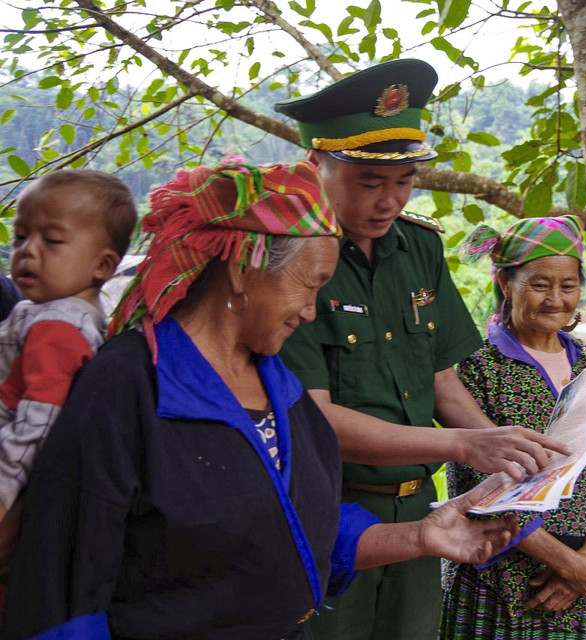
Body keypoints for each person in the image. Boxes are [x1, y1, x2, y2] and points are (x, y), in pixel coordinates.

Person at [0, 158, 519, 640]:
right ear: (242, 271)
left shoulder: (277, 382)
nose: (311, 311)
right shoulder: (129, 386)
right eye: (309, 285)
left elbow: (297, 526)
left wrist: (422, 537)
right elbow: (65, 578)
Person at [274, 59, 567, 640]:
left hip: (422, 513)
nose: (388, 201)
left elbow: (440, 379)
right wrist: (465, 445)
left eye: (404, 181)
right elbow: (313, 419)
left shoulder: (419, 247)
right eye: (370, 183)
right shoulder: (293, 260)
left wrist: (506, 456)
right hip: (328, 509)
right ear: (315, 164)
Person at [440, 215, 586, 640]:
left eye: (568, 286)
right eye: (540, 285)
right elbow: (479, 481)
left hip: (578, 583)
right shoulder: (478, 368)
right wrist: (566, 563)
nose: (555, 299)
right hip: (496, 573)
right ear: (506, 283)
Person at [0, 170, 136, 524]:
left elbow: (37, 427)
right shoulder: (52, 313)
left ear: (103, 265)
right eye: (20, 236)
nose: (27, 250)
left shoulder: (59, 328)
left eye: (52, 241)